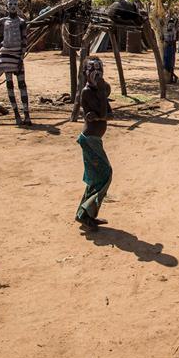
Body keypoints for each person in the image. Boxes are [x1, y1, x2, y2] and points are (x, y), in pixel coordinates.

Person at [76, 58, 112, 230]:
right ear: (85, 74)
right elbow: (104, 113)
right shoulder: (87, 92)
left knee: (96, 178)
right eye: (92, 70)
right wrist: (102, 94)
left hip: (95, 140)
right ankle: (86, 213)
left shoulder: (100, 90)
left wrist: (103, 93)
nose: (97, 74)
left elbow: (108, 115)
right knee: (104, 175)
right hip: (89, 140)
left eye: (99, 70)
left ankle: (85, 214)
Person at [0, 0, 31, 125]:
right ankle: (17, 115)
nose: (13, 6)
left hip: (17, 55)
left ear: (18, 6)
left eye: (15, 4)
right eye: (10, 4)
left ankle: (27, 116)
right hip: (6, 54)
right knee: (9, 85)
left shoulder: (22, 22)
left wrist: (21, 58)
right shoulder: (3, 21)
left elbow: (24, 41)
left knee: (22, 85)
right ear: (6, 6)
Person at [162, 18, 178, 84]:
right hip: (167, 48)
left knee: (170, 64)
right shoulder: (165, 31)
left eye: (172, 24)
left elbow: (173, 41)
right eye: (170, 24)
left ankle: (171, 78)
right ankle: (170, 78)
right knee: (166, 64)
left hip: (170, 48)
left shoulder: (173, 32)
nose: (171, 26)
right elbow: (162, 38)